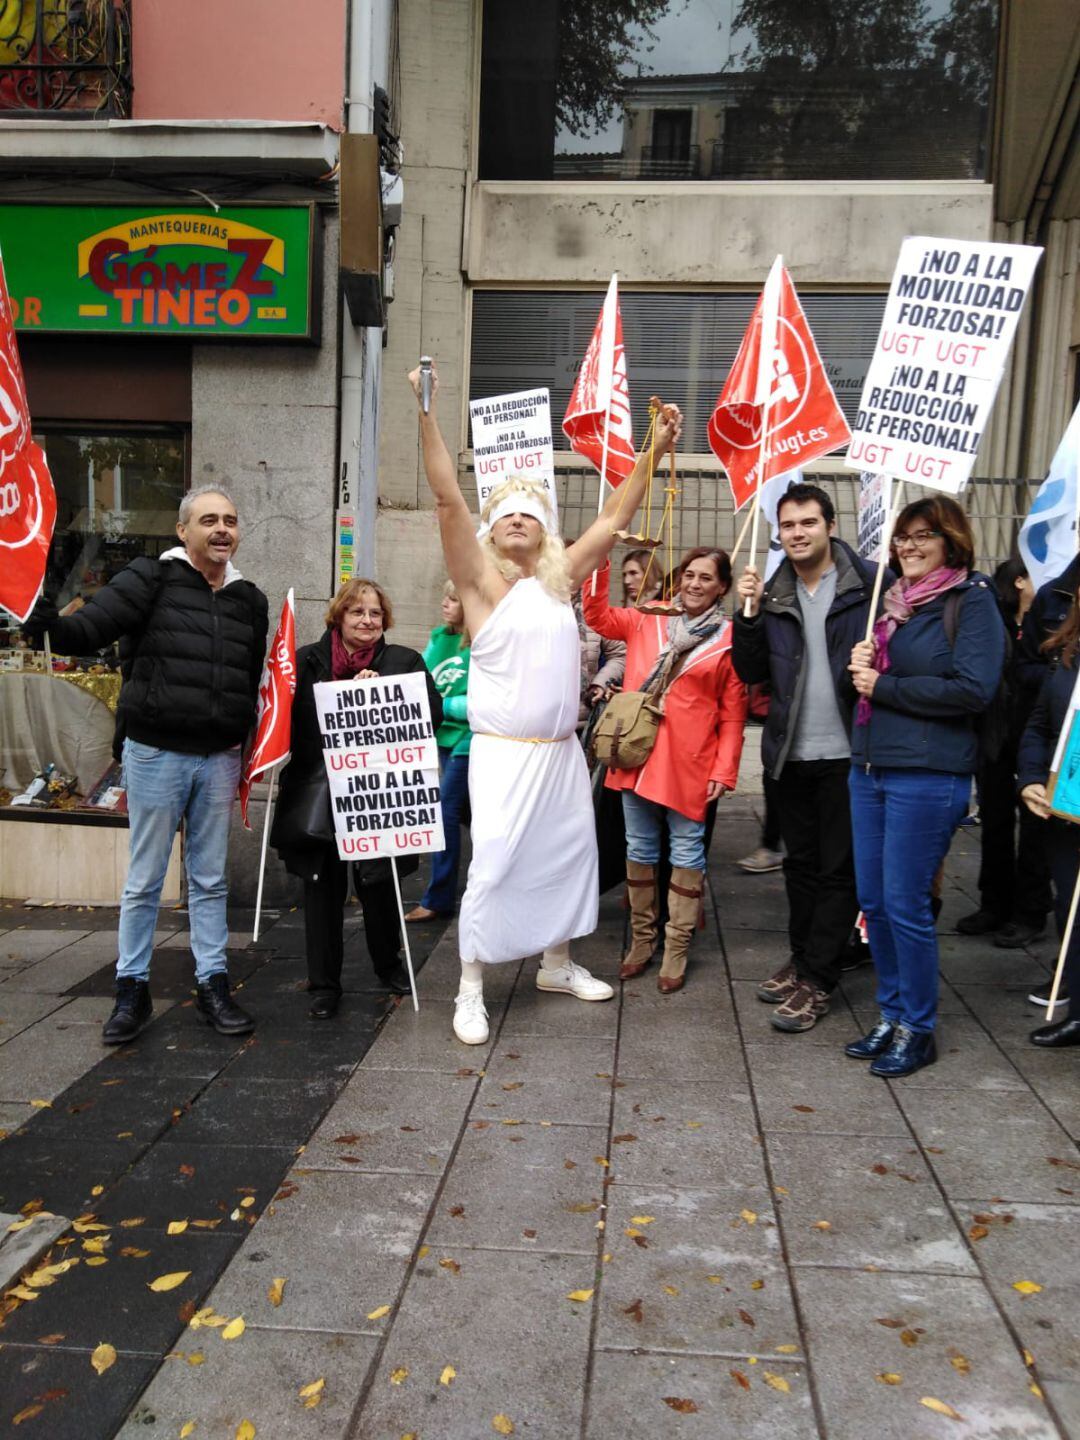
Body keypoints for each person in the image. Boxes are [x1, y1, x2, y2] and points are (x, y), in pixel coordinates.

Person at [409, 358, 682, 1045]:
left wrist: (654, 449)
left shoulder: (562, 583)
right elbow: (447, 500)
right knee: (495, 864)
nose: (519, 520)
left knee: (566, 859)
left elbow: (618, 511)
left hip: (562, 752)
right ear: (491, 532)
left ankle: (555, 965)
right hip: (502, 756)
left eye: (532, 514)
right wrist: (426, 412)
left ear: (547, 531)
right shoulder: (477, 584)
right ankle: (470, 988)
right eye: (507, 515)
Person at [24, 486, 268, 1043]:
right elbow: (89, 630)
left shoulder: (250, 598)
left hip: (220, 758)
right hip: (157, 752)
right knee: (145, 881)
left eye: (230, 519)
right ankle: (131, 989)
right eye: (209, 520)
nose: (222, 529)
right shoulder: (150, 577)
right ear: (184, 532)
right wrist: (45, 618)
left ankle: (213, 984)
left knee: (209, 879)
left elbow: (249, 678)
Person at [846, 495, 1006, 1077]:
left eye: (922, 536)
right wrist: (865, 661)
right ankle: (890, 1014)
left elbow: (973, 689)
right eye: (902, 537)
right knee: (874, 903)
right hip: (869, 767)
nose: (907, 547)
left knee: (906, 903)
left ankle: (918, 1025)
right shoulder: (890, 607)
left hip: (928, 773)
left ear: (951, 542)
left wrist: (882, 685)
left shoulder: (972, 601)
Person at [733, 482, 885, 1033]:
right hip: (790, 754)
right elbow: (750, 672)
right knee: (799, 866)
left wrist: (879, 661)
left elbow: (899, 659)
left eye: (807, 523)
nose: (797, 534)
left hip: (850, 753)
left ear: (830, 526)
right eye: (788, 526)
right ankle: (803, 960)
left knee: (837, 870)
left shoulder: (869, 585)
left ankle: (820, 977)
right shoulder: (772, 589)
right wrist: (746, 614)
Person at [270, 578, 442, 1017]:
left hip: (375, 796)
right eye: (357, 612)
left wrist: (379, 693)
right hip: (318, 793)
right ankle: (324, 985)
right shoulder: (305, 660)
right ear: (338, 617)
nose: (367, 620)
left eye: (375, 613)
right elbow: (282, 721)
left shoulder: (404, 661)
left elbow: (431, 716)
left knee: (379, 885)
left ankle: (389, 966)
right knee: (321, 891)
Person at [583, 547, 748, 991]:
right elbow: (596, 616)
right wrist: (600, 557)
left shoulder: (731, 638)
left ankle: (676, 948)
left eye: (706, 578)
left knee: (688, 853)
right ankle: (642, 941)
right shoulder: (646, 618)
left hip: (691, 764)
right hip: (636, 754)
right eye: (690, 575)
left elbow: (733, 715)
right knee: (638, 847)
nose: (695, 584)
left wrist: (725, 770)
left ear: (722, 588)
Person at [957, 557, 1051, 951]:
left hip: (1037, 734)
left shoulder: (1051, 613)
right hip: (996, 733)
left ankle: (1029, 911)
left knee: (1035, 825)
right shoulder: (992, 617)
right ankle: (994, 903)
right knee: (994, 820)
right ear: (1018, 581)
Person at [1019, 589, 1080, 1045]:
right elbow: (1040, 725)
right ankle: (1079, 1008)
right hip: (1067, 810)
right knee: (1071, 907)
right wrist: (1031, 779)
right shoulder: (1067, 654)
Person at [405, 580, 472, 923]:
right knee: (469, 816)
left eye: (453, 598)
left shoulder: (482, 643)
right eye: (444, 596)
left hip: (469, 741)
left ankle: (439, 898)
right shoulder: (439, 637)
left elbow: (480, 703)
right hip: (441, 738)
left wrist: (441, 706)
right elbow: (420, 681)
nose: (445, 604)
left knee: (444, 813)